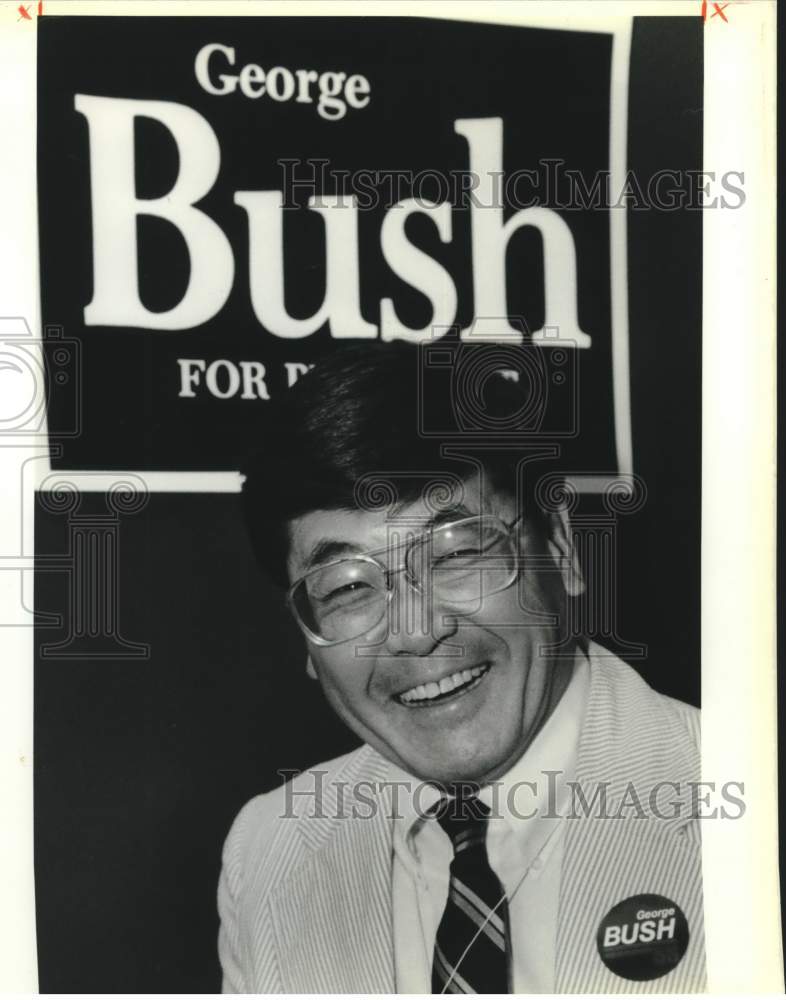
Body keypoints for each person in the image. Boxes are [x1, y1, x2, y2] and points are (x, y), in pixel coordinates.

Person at [218, 340, 705, 993]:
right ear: (306, 638)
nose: (415, 635)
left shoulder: (744, 805)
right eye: (348, 588)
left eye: (454, 554)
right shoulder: (267, 851)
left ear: (558, 544)